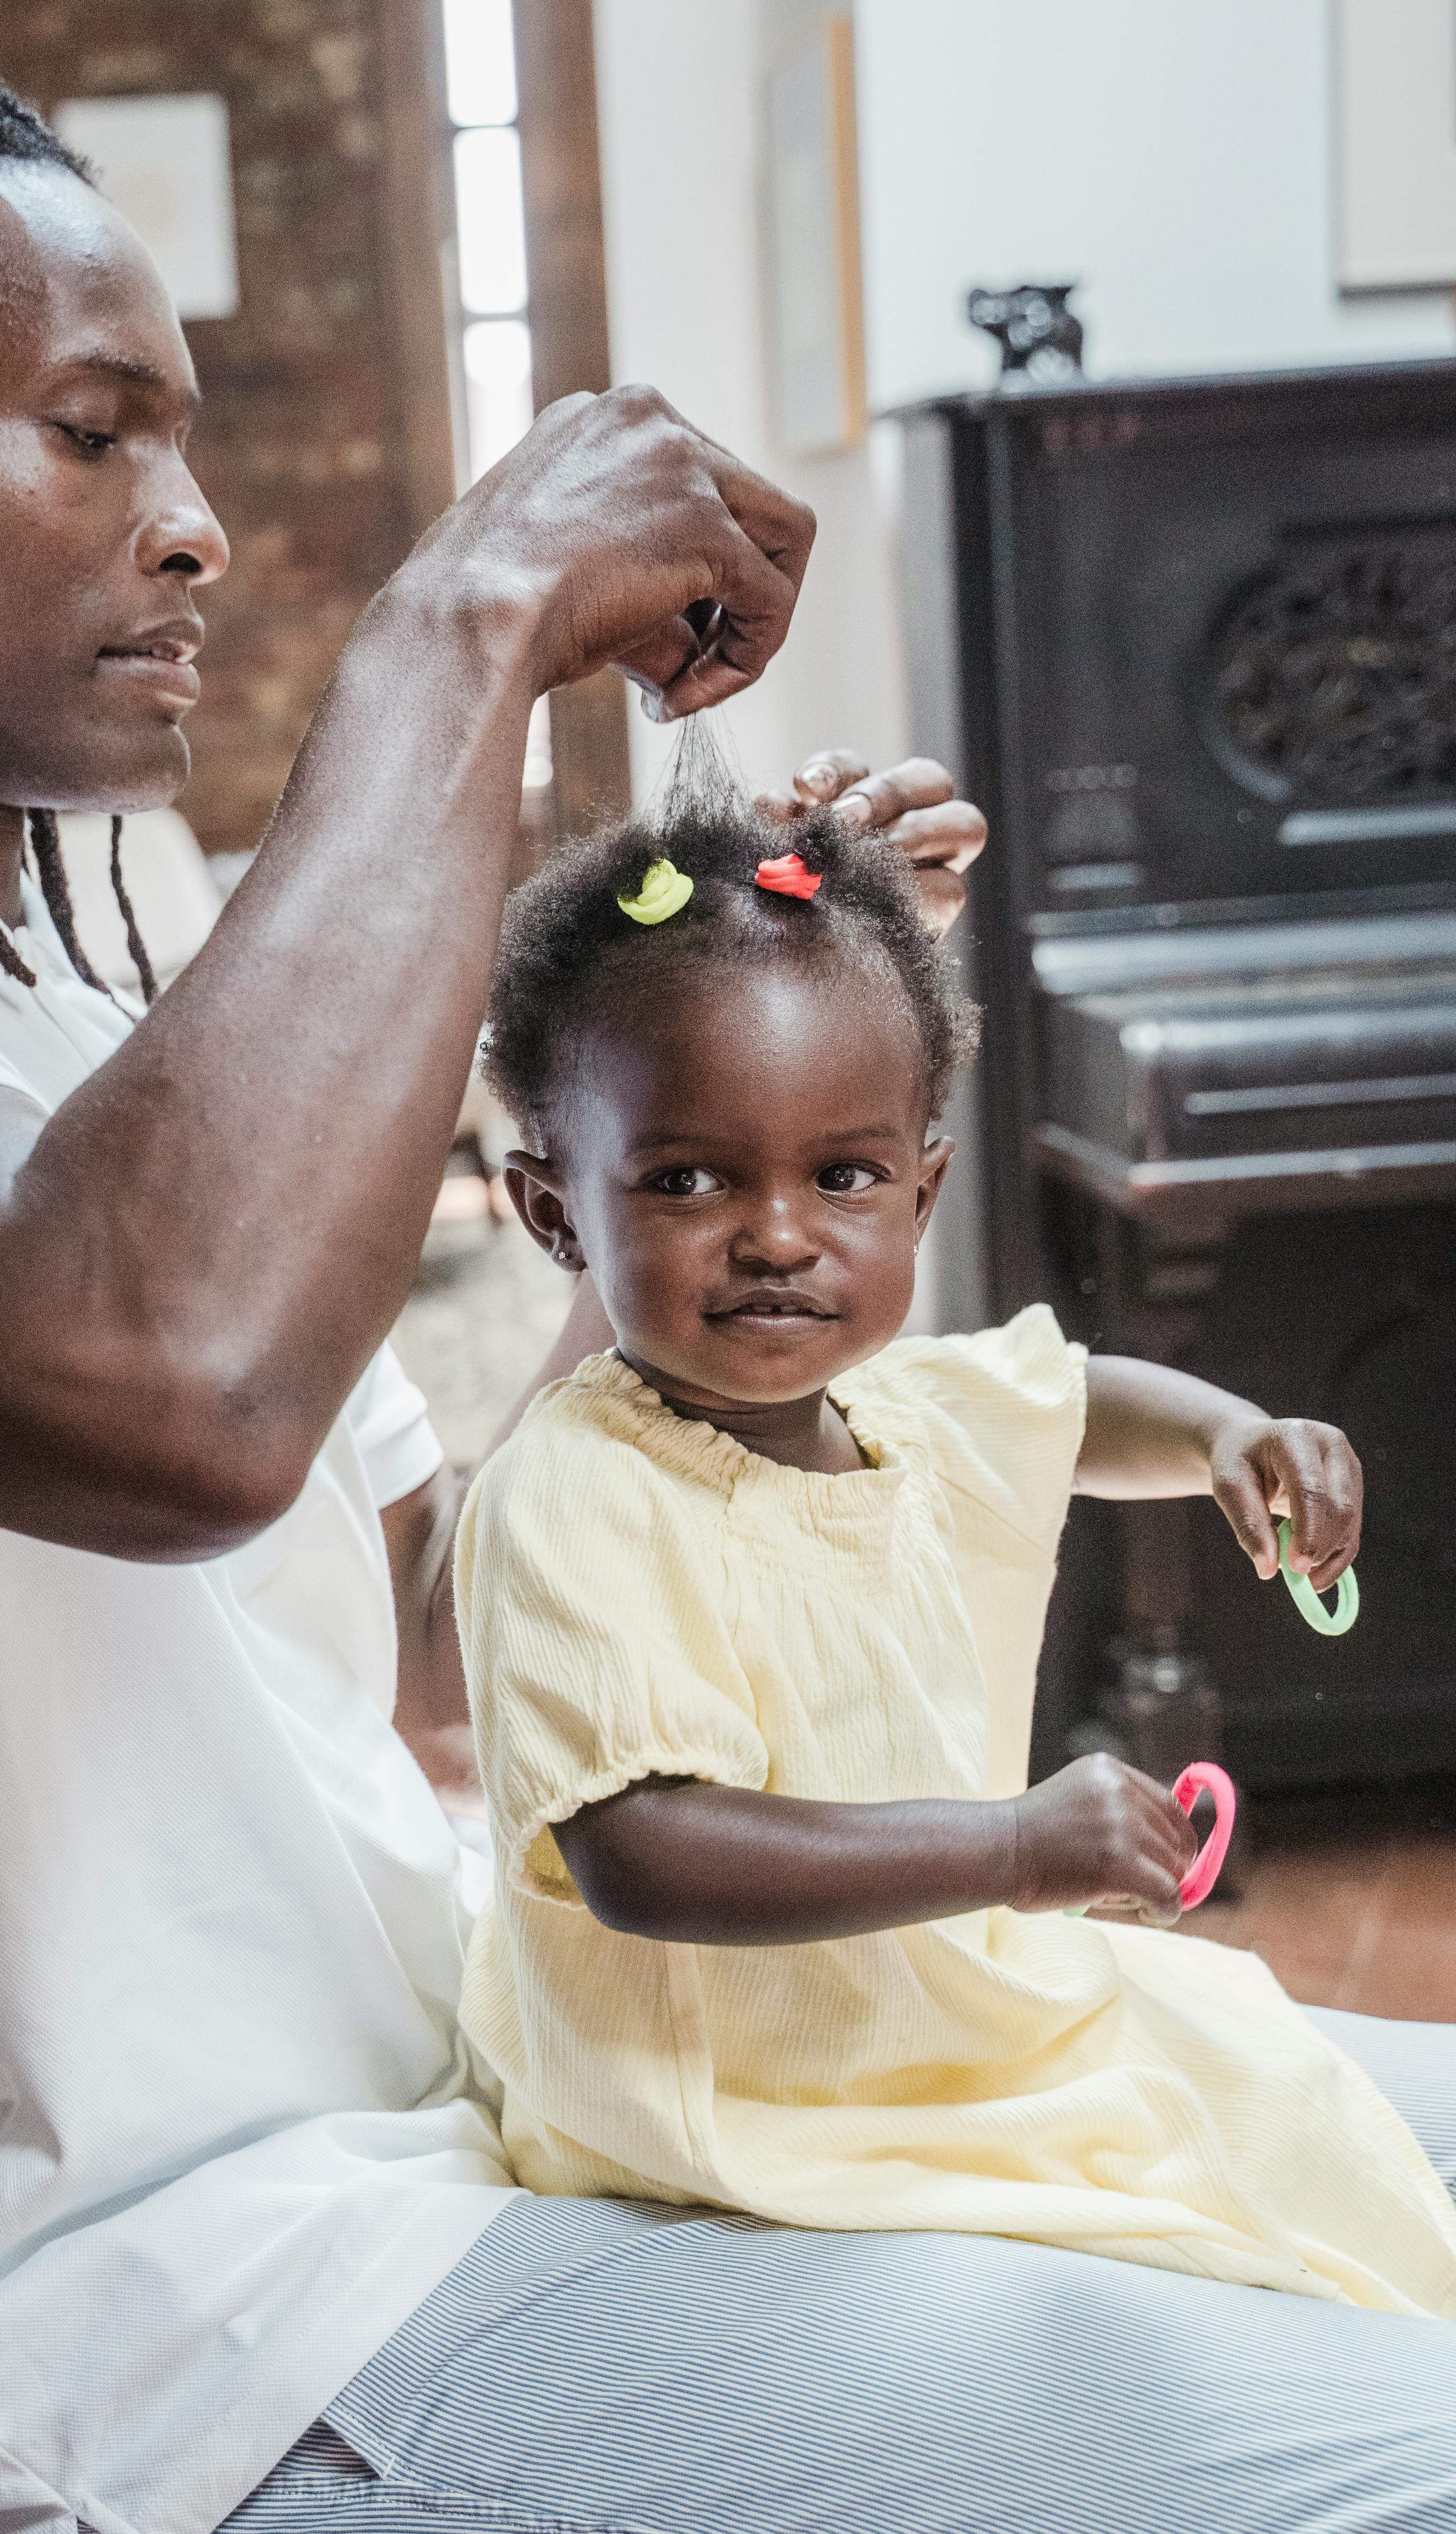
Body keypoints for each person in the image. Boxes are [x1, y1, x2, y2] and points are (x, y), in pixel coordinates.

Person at [0, 52, 1456, 2534]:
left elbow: (436, 1601)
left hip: (488, 2139)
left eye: (188, 446)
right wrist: (467, 622)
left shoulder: (44, 987)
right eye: (95, 428)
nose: (197, 528)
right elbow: (172, 1393)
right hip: (192, 2404)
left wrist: (738, 1128)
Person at [458, 792, 1456, 2319]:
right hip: (751, 2109)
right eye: (686, 1181)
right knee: (1217, 2255)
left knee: (1293, 2125)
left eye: (841, 1178)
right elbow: (642, 1851)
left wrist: (1225, 1437)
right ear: (554, 1213)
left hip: (931, 2020)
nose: (780, 1235)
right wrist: (1010, 1849)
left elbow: (1072, 1408)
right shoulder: (575, 1493)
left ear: (920, 1189)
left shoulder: (899, 1408)